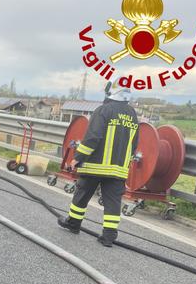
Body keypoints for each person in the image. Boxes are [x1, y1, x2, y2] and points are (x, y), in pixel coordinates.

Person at [57, 83, 139, 246]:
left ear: (111, 92)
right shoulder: (132, 114)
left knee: (82, 195)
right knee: (113, 202)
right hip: (118, 169)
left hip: (95, 166)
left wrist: (77, 157)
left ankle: (73, 224)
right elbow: (134, 143)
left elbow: (92, 138)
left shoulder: (103, 110)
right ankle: (109, 236)